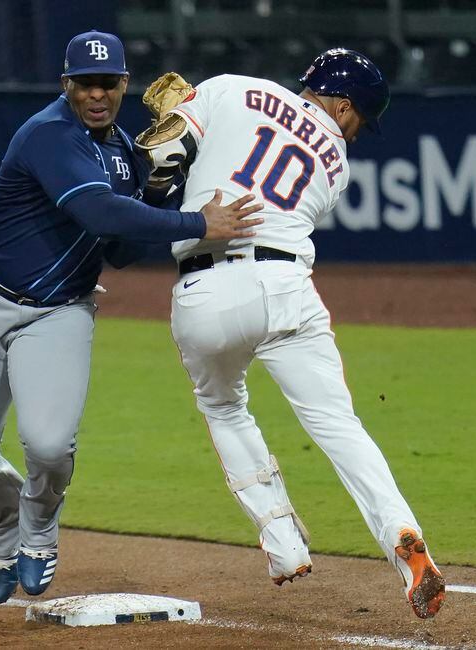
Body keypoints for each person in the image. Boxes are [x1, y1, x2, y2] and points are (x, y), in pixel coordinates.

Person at [0, 30, 262, 605]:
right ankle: (3, 519)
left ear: (123, 86)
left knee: (48, 444)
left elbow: (119, 250)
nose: (96, 94)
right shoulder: (47, 134)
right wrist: (195, 223)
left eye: (107, 83)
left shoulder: (125, 156)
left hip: (61, 311)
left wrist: (161, 188)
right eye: (84, 83)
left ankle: (38, 526)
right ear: (66, 85)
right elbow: (96, 209)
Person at [135, 50, 446, 619]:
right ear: (344, 106)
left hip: (206, 290)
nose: (355, 133)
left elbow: (164, 151)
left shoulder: (233, 86)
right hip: (287, 287)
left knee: (224, 407)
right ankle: (404, 536)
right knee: (338, 425)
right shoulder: (335, 165)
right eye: (358, 120)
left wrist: (167, 164)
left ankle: (282, 545)